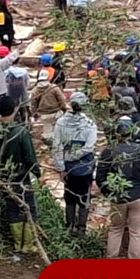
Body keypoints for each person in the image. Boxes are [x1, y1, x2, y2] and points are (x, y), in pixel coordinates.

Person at [96, 117, 140, 259]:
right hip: (139, 196)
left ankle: (112, 260)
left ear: (117, 133)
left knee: (116, 229)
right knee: (137, 231)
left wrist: (109, 193)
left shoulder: (109, 151)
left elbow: (100, 177)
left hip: (117, 197)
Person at [0, 100, 41, 252]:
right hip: (22, 177)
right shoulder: (21, 131)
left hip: (5, 176)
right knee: (29, 208)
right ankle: (28, 245)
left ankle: (17, 244)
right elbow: (30, 157)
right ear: (14, 110)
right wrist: (37, 173)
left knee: (12, 208)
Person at [53, 91, 97, 236]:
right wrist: (75, 155)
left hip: (68, 169)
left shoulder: (61, 123)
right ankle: (81, 228)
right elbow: (89, 147)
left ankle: (69, 226)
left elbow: (57, 146)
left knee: (69, 197)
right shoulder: (89, 124)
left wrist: (61, 166)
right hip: (85, 169)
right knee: (84, 197)